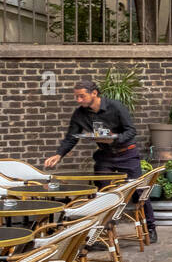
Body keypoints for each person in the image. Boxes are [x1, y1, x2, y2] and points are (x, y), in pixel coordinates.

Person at [43, 77, 157, 242]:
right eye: (76, 96)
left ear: (94, 93)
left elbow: (131, 131)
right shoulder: (79, 114)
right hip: (105, 156)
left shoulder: (115, 106)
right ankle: (102, 233)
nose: (78, 100)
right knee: (102, 194)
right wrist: (58, 155)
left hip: (127, 154)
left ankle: (151, 228)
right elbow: (71, 137)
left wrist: (114, 139)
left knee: (139, 191)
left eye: (81, 96)